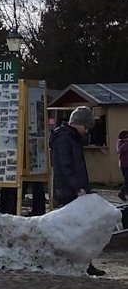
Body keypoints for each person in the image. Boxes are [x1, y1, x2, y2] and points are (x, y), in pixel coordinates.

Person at [49, 106, 105, 276]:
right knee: (72, 230)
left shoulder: (71, 138)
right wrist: (77, 187)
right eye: (86, 127)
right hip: (69, 192)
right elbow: (64, 167)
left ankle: (84, 263)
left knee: (81, 230)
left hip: (76, 191)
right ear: (79, 123)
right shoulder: (64, 139)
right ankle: (74, 263)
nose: (87, 131)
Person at [117, 129, 128, 202]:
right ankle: (122, 192)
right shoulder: (120, 143)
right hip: (125, 165)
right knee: (127, 180)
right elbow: (120, 150)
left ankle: (123, 192)